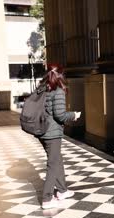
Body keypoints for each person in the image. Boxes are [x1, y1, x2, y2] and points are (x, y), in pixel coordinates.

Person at [39, 63, 81, 209]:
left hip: (42, 131)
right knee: (53, 164)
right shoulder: (58, 91)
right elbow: (60, 116)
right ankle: (47, 198)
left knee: (56, 160)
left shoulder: (43, 88)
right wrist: (74, 115)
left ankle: (62, 190)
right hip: (52, 133)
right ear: (61, 75)